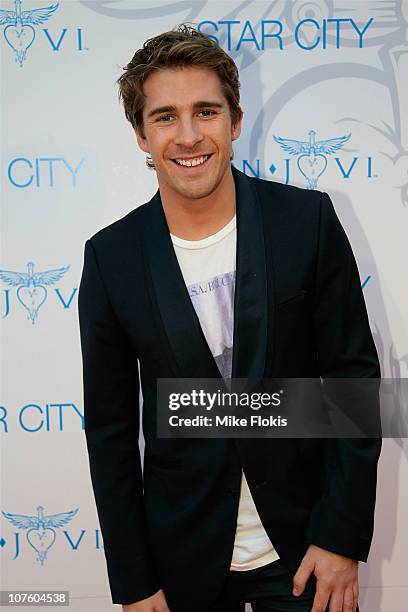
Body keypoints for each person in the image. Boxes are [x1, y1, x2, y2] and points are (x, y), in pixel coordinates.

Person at [78, 24, 381, 612]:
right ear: (141, 134)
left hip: (305, 557)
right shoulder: (110, 258)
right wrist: (135, 582)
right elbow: (110, 431)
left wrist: (340, 536)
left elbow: (352, 382)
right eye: (165, 116)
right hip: (180, 562)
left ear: (235, 120)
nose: (189, 136)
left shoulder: (306, 222)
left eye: (207, 111)